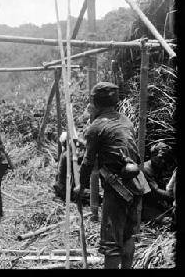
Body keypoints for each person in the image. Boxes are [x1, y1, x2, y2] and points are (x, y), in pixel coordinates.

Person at [75, 82, 150, 269]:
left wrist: (79, 186)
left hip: (118, 189)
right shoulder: (126, 120)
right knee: (127, 236)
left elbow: (87, 162)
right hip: (138, 185)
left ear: (95, 102)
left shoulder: (97, 127)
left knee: (111, 243)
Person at [141, 142, 174, 222]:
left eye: (165, 158)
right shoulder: (146, 169)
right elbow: (155, 191)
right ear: (152, 155)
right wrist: (172, 196)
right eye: (160, 158)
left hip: (156, 204)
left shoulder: (159, 167)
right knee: (168, 220)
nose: (163, 161)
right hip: (144, 207)